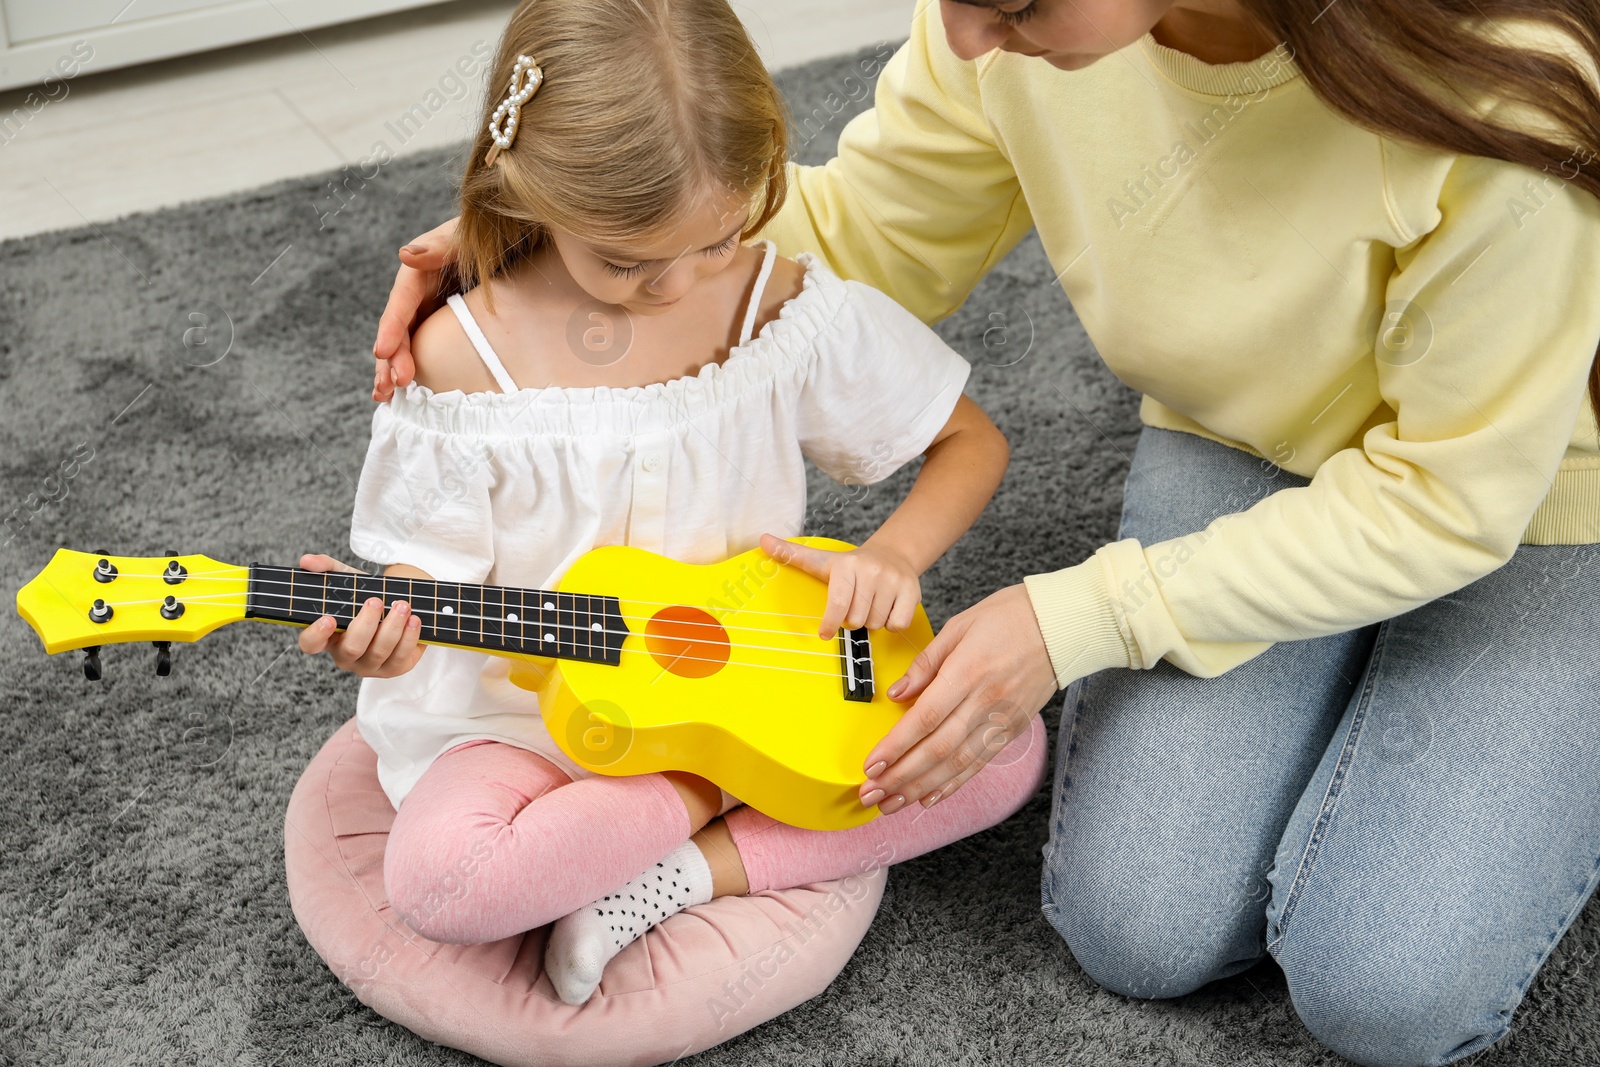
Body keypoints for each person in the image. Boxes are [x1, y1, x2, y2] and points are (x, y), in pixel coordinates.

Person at [371, 0, 1600, 1063]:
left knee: (1382, 993)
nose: (962, 37)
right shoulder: (993, 35)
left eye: (1012, 5)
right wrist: (538, 251)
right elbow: (863, 239)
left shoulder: (1495, 92)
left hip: (1530, 501)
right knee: (1138, 931)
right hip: (1245, 444)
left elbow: (1446, 500)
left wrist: (1073, 617)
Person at [296, 0, 1047, 1011]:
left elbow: (969, 441)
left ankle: (685, 871)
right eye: (623, 261)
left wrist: (896, 555)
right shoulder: (458, 361)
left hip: (759, 683)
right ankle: (710, 799)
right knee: (441, 880)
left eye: (716, 239)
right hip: (519, 726)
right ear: (528, 190)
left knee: (1006, 745)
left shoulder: (778, 307)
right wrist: (386, 631)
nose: (676, 285)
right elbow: (421, 579)